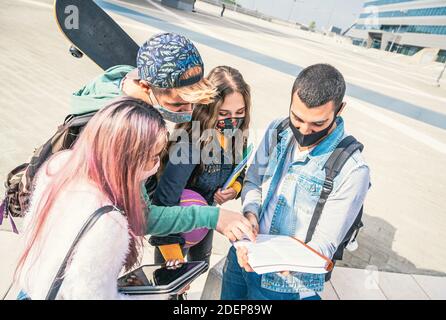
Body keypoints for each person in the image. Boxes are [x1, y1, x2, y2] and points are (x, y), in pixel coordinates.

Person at [68, 32, 256, 243]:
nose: (188, 111)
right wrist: (214, 217)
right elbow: (141, 218)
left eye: (194, 101)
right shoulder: (127, 131)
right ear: (146, 86)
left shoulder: (122, 77)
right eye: (178, 104)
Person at [221, 64, 371, 300]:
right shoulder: (277, 129)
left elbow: (325, 245)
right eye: (297, 118)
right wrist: (250, 215)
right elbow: (253, 181)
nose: (304, 129)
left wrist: (283, 259)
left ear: (339, 110)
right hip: (242, 258)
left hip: (286, 284)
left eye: (318, 124)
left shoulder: (353, 171)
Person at [152, 66, 252, 266]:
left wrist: (235, 189)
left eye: (239, 112)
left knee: (201, 265)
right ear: (208, 109)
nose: (233, 120)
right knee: (170, 289)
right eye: (224, 113)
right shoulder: (189, 144)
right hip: (176, 229)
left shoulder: (236, 137)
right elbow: (164, 203)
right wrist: (173, 257)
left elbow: (239, 171)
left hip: (207, 221)